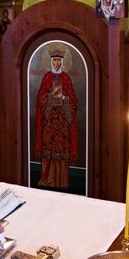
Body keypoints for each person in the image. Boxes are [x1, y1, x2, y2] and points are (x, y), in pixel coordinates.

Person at [34, 46, 78, 189]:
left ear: (62, 62)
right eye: (54, 61)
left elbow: (74, 103)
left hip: (63, 123)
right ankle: (47, 179)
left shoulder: (66, 78)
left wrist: (64, 98)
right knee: (48, 150)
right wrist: (50, 97)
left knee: (61, 151)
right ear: (51, 62)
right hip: (49, 123)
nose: (57, 63)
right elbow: (39, 100)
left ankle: (61, 182)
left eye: (59, 60)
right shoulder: (47, 77)